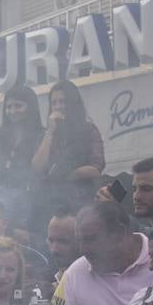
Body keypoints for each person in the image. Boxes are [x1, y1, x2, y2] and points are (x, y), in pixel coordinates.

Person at [0, 85, 45, 228]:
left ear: (31, 107)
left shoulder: (41, 135)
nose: (12, 111)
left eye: (18, 106)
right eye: (8, 106)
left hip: (28, 202)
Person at [32, 79, 104, 212]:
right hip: (49, 201)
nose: (58, 106)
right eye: (54, 103)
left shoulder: (88, 129)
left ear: (73, 103)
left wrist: (66, 176)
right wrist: (50, 131)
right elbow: (37, 166)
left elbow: (96, 168)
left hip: (81, 199)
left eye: (62, 101)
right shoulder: (46, 133)